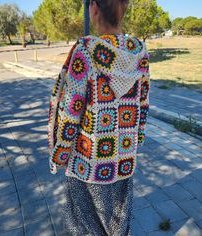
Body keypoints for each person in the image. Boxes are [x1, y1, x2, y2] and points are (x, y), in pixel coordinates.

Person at [48, 0, 150, 235]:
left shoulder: (85, 50)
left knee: (84, 225)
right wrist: (137, 140)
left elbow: (70, 109)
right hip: (123, 157)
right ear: (124, 8)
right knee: (118, 223)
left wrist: (61, 152)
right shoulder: (140, 52)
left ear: (93, 8)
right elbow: (142, 104)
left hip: (87, 160)